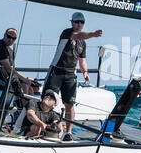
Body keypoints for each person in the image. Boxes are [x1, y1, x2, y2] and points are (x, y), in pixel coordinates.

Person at [43, 12, 102, 140]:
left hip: (70, 75)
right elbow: (77, 35)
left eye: (82, 22)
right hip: (56, 71)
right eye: (77, 22)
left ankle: (68, 133)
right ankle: (43, 127)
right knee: (48, 100)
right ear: (72, 22)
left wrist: (85, 72)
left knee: (69, 104)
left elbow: (82, 61)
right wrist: (92, 34)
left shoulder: (83, 43)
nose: (79, 24)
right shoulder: (67, 33)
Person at [0, 28, 34, 97]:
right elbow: (8, 68)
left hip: (5, 77)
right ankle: (20, 106)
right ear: (4, 35)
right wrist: (24, 79)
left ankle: (31, 106)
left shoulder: (10, 50)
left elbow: (12, 70)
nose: (10, 40)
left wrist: (26, 80)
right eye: (9, 37)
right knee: (22, 86)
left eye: (13, 38)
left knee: (29, 87)